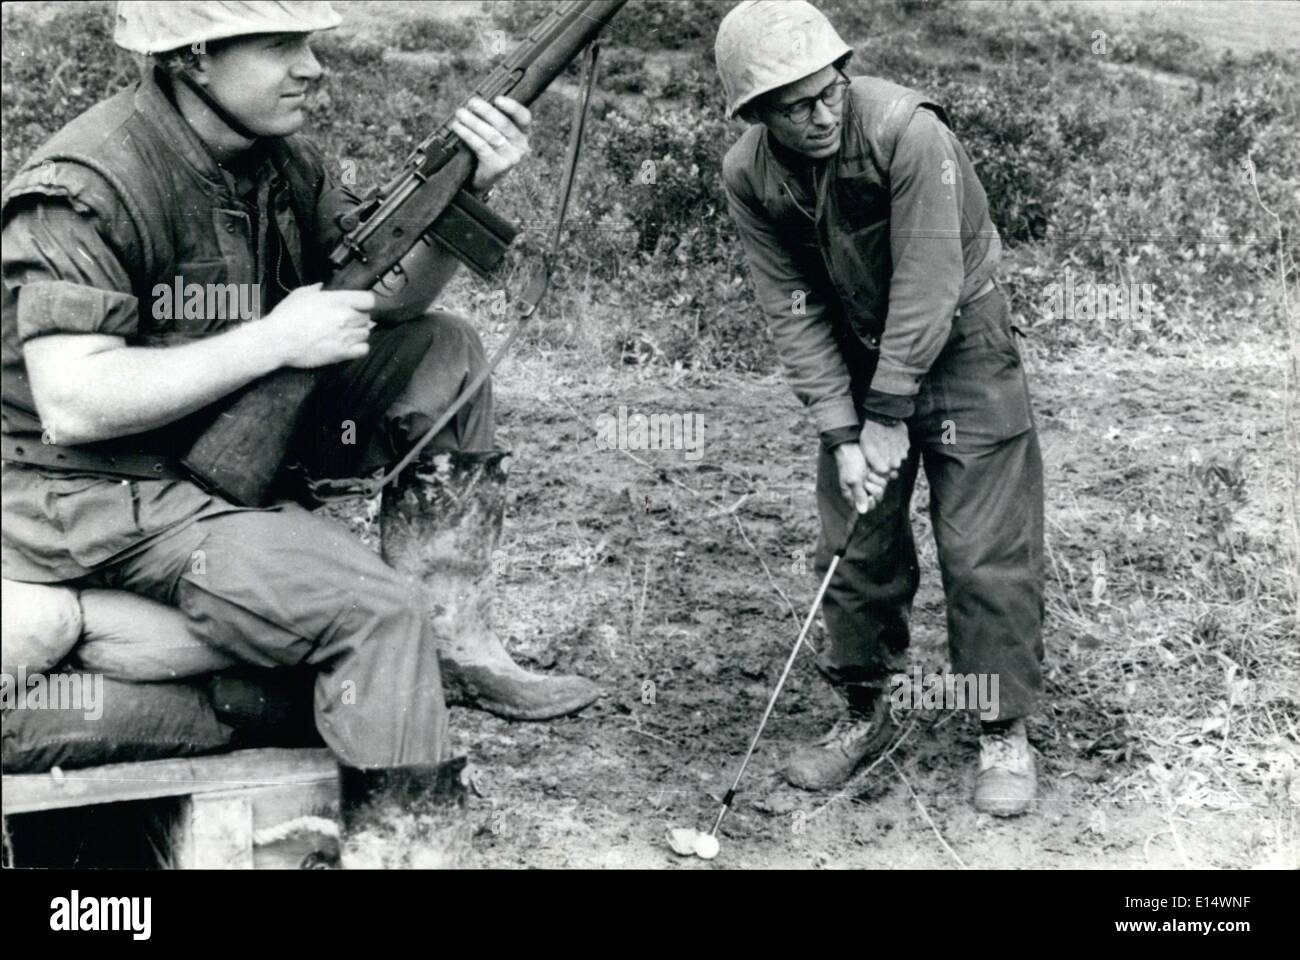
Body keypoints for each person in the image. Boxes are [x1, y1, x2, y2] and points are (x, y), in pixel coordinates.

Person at [0, 0, 599, 864]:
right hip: (94, 490)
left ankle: (458, 638)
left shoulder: (279, 163)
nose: (313, 66)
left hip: (210, 433)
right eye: (282, 44)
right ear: (195, 57)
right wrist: (272, 339)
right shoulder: (85, 188)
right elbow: (74, 400)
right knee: (377, 615)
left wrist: (458, 200)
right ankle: (405, 843)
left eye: (311, 42)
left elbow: (375, 303)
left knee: (445, 350)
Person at [715, 0, 1044, 816]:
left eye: (829, 92)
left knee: (982, 550)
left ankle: (1000, 727)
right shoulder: (747, 174)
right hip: (863, 359)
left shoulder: (910, 132)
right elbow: (791, 306)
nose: (821, 114)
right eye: (794, 107)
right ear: (757, 115)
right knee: (854, 541)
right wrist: (842, 430)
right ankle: (866, 710)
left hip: (964, 345)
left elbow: (931, 280)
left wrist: (889, 414)